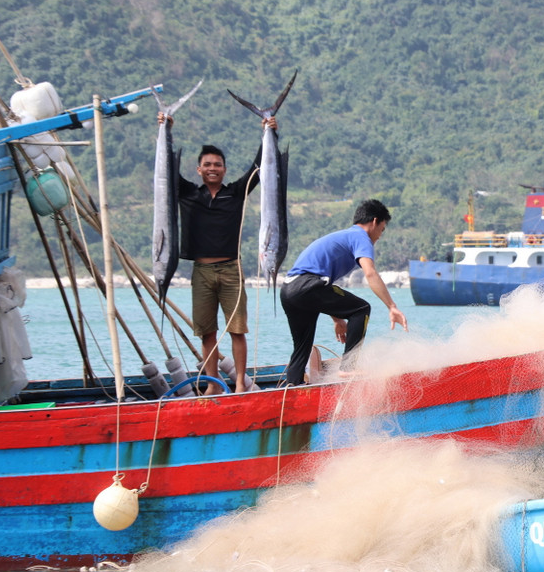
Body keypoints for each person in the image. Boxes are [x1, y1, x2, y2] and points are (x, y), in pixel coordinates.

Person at [159, 112, 275, 393]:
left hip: (231, 270)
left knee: (237, 330)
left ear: (224, 169)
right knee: (206, 332)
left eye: (218, 165)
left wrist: (269, 131)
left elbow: (259, 168)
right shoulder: (188, 193)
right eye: (207, 165)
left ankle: (240, 383)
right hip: (201, 272)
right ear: (199, 169)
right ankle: (213, 384)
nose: (213, 168)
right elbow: (166, 168)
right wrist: (165, 128)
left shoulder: (235, 192)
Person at [280, 199, 409, 385]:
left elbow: (325, 288)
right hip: (308, 286)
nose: (380, 236)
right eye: (382, 229)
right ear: (374, 221)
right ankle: (348, 367)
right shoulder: (361, 237)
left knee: (302, 347)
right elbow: (370, 273)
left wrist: (337, 319)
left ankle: (293, 387)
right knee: (361, 309)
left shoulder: (345, 236)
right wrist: (392, 306)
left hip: (288, 290)